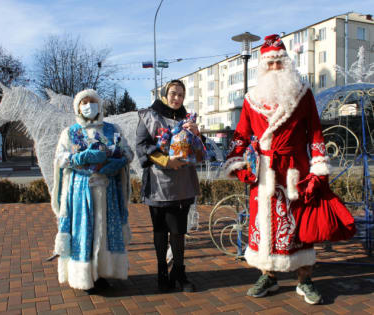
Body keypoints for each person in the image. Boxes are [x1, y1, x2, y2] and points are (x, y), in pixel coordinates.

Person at [223, 34, 350, 305]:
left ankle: (304, 279)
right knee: (263, 224)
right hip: (265, 172)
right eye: (270, 63)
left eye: (280, 61)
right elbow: (241, 135)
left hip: (297, 172)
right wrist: (236, 162)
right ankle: (267, 275)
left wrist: (318, 171)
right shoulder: (251, 99)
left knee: (299, 225)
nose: (275, 67)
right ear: (262, 66)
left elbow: (316, 134)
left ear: (287, 63)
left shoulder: (303, 94)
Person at [51, 89, 133, 291]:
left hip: (108, 189)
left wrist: (119, 161)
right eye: (84, 102)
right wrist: (79, 158)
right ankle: (85, 275)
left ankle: (103, 272)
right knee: (84, 231)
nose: (89, 106)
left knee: (105, 230)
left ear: (100, 105)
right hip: (81, 191)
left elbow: (128, 151)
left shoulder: (112, 129)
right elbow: (60, 158)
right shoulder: (70, 132)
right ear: (77, 107)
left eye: (92, 101)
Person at [136, 80, 200, 292]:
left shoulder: (188, 119)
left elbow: (200, 151)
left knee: (179, 231)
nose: (177, 98)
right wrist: (166, 161)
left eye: (181, 95)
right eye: (173, 93)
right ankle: (162, 273)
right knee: (161, 230)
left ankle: (179, 272)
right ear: (165, 94)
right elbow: (142, 146)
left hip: (182, 184)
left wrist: (197, 135)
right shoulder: (149, 115)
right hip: (158, 185)